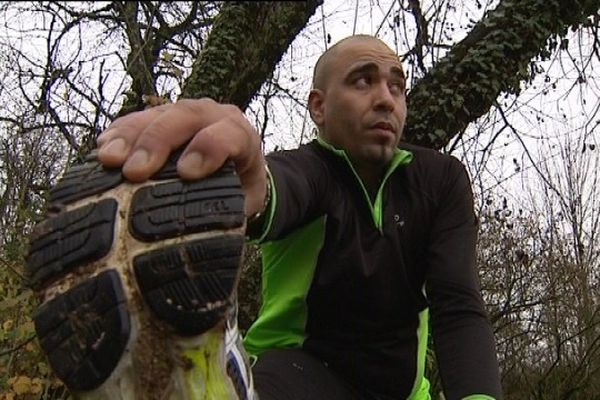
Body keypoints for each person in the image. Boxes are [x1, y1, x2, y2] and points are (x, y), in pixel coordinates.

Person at [29, 35, 502, 399]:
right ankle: (206, 372)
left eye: (397, 86)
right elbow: (278, 189)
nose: (386, 98)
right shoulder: (312, 169)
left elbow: (457, 304)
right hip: (295, 374)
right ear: (318, 106)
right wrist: (242, 189)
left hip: (402, 391)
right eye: (363, 81)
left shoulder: (440, 180)